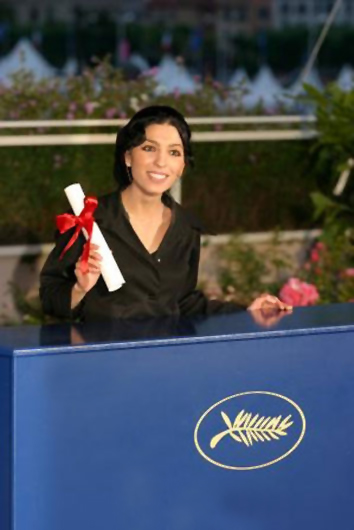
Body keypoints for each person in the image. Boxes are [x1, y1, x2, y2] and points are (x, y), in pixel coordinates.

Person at [40, 105, 291, 323]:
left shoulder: (186, 229)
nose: (161, 162)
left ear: (182, 166)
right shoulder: (89, 220)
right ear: (128, 156)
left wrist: (246, 311)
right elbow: (51, 297)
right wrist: (79, 289)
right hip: (106, 360)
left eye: (173, 152)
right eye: (149, 148)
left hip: (164, 360)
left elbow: (183, 303)